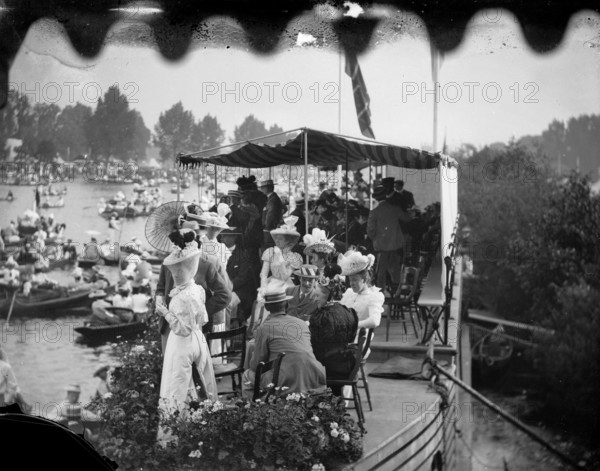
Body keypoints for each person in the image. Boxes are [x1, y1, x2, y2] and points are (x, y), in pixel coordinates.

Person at [155, 231, 218, 446]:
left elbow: (181, 329)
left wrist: (165, 313)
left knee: (177, 384)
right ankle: (200, 427)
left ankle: (173, 437)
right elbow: (205, 317)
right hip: (198, 339)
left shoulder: (181, 297)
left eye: (175, 272)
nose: (174, 275)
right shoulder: (197, 290)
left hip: (181, 343)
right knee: (198, 381)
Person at [242, 280, 326, 398]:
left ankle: (254, 411)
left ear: (266, 307)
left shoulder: (265, 328)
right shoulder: (301, 324)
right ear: (287, 305)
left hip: (284, 380)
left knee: (247, 376)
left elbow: (256, 365)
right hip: (313, 376)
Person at [155, 228, 232, 354]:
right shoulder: (168, 262)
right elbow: (160, 288)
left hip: (196, 327)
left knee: (194, 367)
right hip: (169, 325)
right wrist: (159, 297)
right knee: (171, 364)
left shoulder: (206, 263)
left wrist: (200, 311)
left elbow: (225, 296)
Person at [249, 216, 303, 335]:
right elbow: (263, 273)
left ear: (288, 242)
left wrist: (280, 259)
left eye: (281, 239)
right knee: (262, 298)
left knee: (285, 298)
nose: (277, 241)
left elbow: (284, 276)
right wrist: (263, 287)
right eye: (276, 238)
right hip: (271, 281)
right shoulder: (269, 252)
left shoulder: (294, 257)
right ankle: (262, 331)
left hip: (286, 284)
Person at [367, 188, 412, 295]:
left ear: (376, 199)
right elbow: (407, 219)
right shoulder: (395, 209)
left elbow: (370, 231)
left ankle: (381, 294)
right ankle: (396, 292)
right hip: (396, 245)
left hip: (382, 246)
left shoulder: (374, 212)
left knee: (381, 273)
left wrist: (376, 238)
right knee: (395, 270)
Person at [337, 250, 385, 333]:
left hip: (356, 338)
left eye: (355, 280)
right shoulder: (349, 293)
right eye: (350, 280)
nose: (351, 283)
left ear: (365, 279)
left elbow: (375, 321)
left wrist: (354, 325)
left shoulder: (373, 297)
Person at [222, 228, 260, 325]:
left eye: (226, 236)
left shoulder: (243, 256)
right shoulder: (218, 252)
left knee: (226, 303)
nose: (222, 239)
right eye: (222, 236)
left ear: (233, 238)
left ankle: (227, 331)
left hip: (239, 290)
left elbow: (241, 279)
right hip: (221, 287)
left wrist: (226, 287)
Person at [0, 345, 32, 413]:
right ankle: (24, 404)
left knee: (11, 386)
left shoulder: (4, 364)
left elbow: (11, 385)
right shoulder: (5, 366)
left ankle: (23, 404)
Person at [258, 179, 284, 251]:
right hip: (269, 231)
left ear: (267, 188)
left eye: (263, 188)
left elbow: (270, 216)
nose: (262, 190)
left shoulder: (273, 199)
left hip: (269, 232)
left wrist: (265, 228)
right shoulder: (271, 198)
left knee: (267, 253)